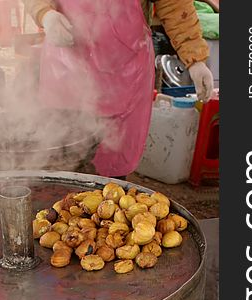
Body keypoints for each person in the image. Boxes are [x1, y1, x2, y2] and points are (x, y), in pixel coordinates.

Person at [23, 0, 214, 178]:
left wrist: (195, 59)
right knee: (61, 161)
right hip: (66, 68)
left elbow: (174, 4)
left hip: (125, 74)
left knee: (111, 176)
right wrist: (44, 14)